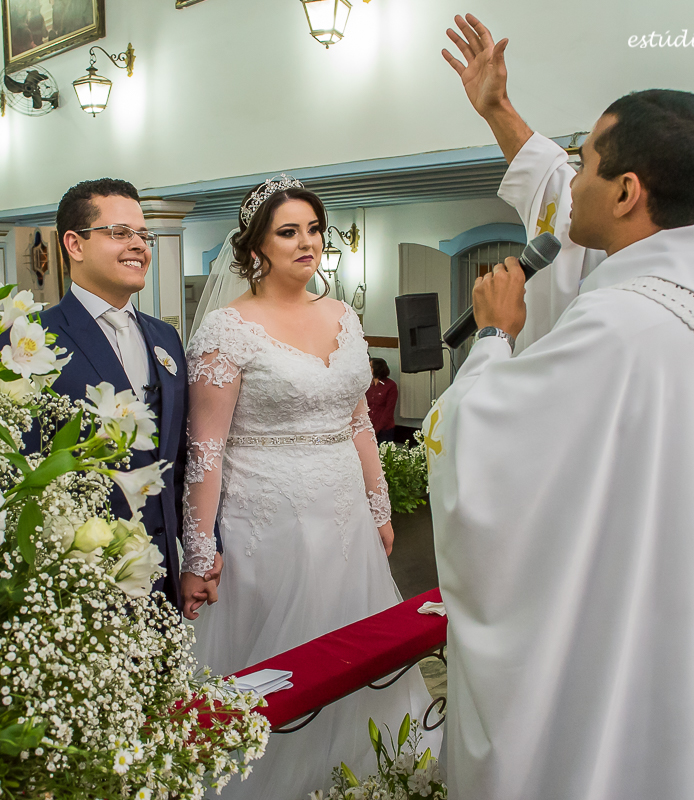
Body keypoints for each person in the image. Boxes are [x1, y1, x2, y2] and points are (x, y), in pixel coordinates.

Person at [422, 14, 694, 800]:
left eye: (584, 162)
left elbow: (484, 448)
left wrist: (495, 341)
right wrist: (500, 113)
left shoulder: (617, 323)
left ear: (629, 190)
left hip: (589, 611)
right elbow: (572, 225)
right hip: (659, 597)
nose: (569, 178)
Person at [181, 175, 440, 798]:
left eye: (314, 229)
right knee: (282, 656)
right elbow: (206, 450)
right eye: (288, 231)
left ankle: (363, 770)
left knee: (355, 639)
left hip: (345, 510)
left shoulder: (343, 316)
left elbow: (356, 419)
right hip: (264, 517)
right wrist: (198, 548)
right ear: (256, 247)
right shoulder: (228, 328)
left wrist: (379, 505)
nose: (307, 243)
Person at [0, 178, 222, 612]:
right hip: (75, 580)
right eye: (120, 233)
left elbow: (184, 457)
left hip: (163, 571)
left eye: (143, 235)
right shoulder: (25, 345)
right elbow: (13, 475)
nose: (139, 246)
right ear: (74, 244)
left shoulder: (166, 337)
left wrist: (201, 551)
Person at [367, 357, 398, 442]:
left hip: (384, 429)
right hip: (368, 427)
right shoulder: (367, 384)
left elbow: (389, 410)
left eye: (370, 367)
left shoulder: (390, 385)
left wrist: (377, 428)